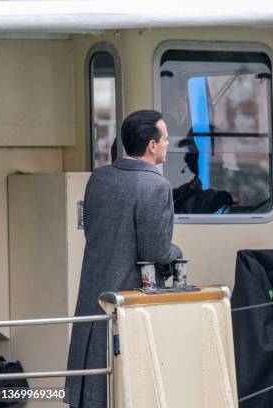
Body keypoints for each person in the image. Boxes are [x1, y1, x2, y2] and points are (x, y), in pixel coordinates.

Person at [65, 110, 183, 408]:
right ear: (152, 146)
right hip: (127, 303)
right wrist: (177, 254)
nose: (169, 144)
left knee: (92, 387)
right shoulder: (156, 187)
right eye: (166, 138)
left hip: (91, 295)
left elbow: (92, 230)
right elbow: (156, 252)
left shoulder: (100, 178)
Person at [173, 137, 233, 214]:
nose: (188, 156)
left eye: (194, 150)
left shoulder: (221, 192)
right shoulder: (189, 187)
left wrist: (192, 192)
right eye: (189, 150)